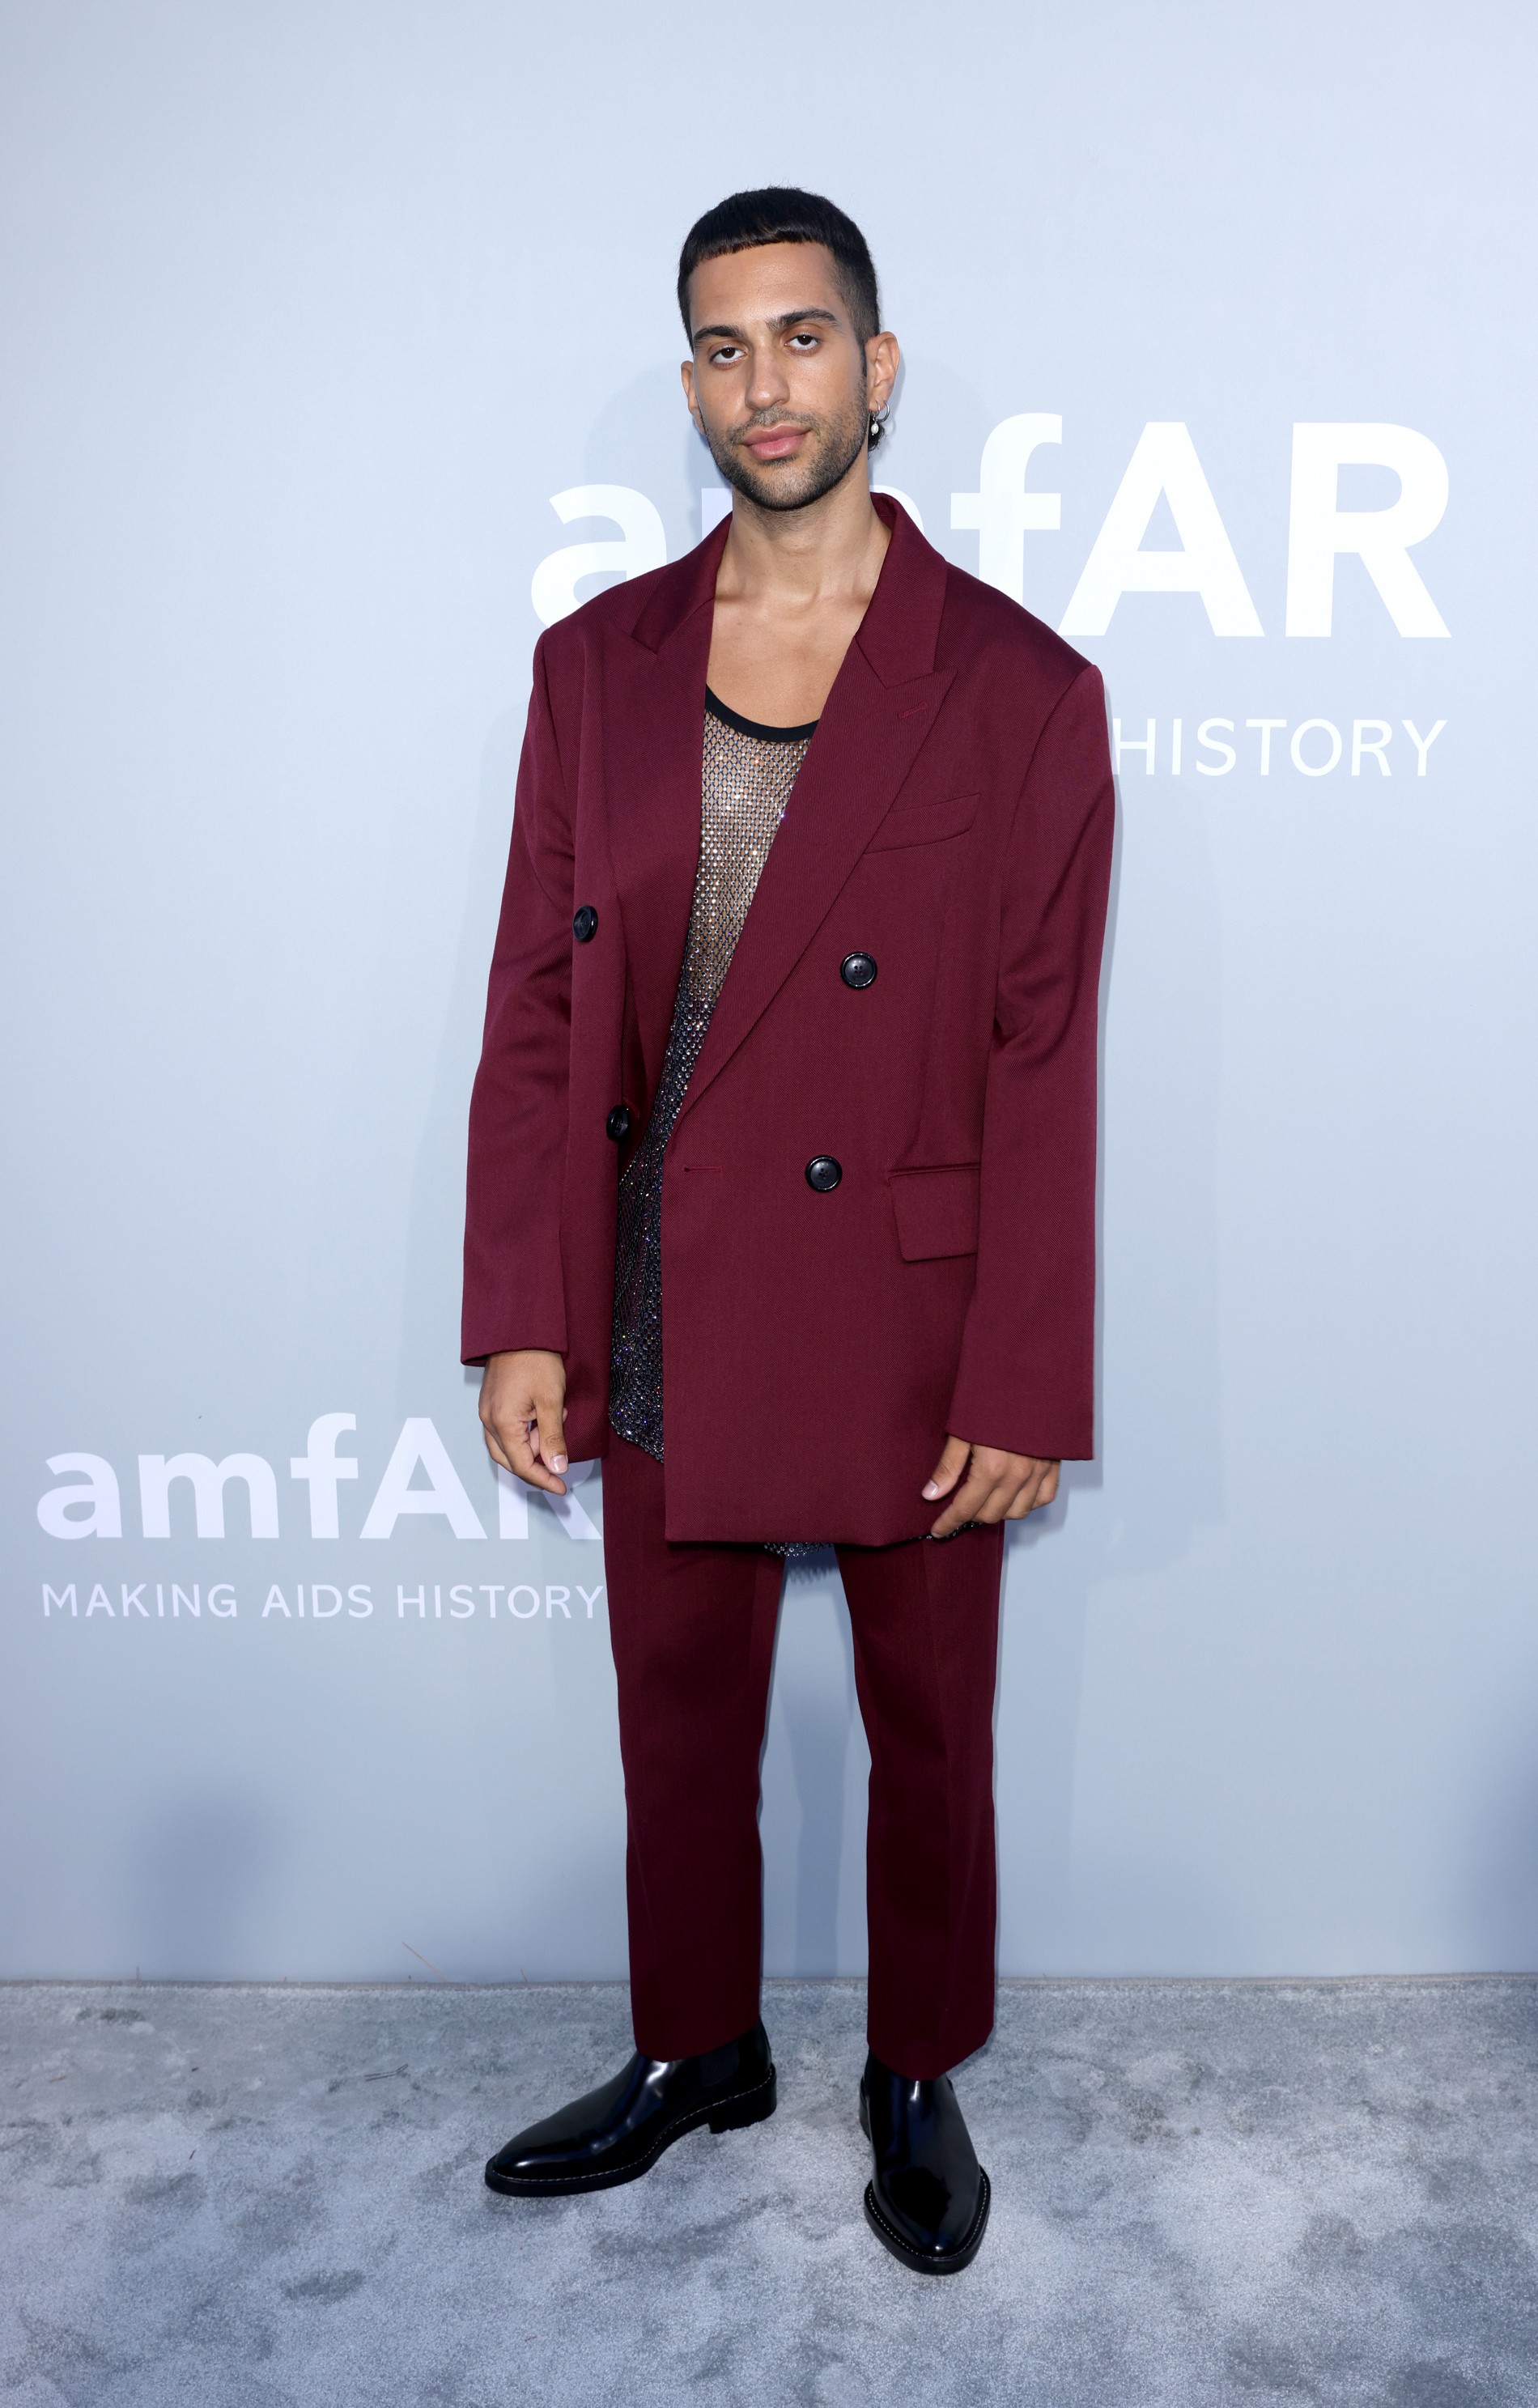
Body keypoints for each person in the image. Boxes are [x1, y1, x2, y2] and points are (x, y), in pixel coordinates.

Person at [462, 187, 1113, 2275]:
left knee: (933, 1733)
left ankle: (915, 2071)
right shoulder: (597, 667)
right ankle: (697, 2047)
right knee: (676, 1719)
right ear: (691, 385)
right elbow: (540, 1009)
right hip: (666, 1277)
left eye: (805, 338)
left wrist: (1027, 1369)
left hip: (912, 1306)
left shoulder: (1018, 685)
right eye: (727, 347)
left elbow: (1043, 1053)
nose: (768, 384)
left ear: (877, 366)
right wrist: (524, 1308)